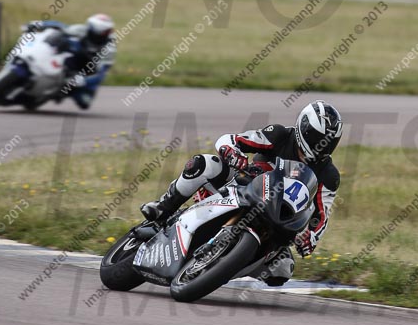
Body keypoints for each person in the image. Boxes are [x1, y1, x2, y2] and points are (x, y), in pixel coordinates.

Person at [141, 100, 342, 286]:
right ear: (303, 129)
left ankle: (227, 265)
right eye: (317, 138)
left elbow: (322, 215)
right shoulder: (279, 135)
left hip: (278, 218)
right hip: (242, 188)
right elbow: (229, 140)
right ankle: (163, 208)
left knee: (282, 270)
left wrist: (312, 237)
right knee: (204, 164)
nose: (321, 146)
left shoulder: (329, 175)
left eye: (328, 141)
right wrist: (233, 153)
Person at [24, 13, 116, 109]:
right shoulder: (81, 30)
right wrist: (38, 24)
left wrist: (84, 81)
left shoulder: (109, 49)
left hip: (84, 73)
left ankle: (58, 93)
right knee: (61, 39)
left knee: (84, 102)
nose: (106, 33)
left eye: (107, 31)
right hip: (69, 60)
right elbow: (60, 26)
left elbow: (101, 73)